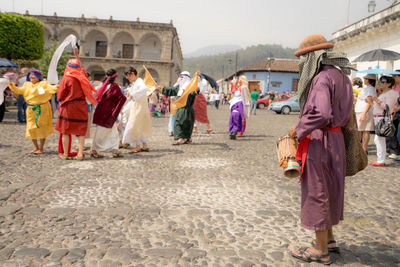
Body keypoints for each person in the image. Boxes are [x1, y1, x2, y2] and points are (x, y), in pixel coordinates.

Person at [289, 34, 354, 265]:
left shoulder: (321, 79)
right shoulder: (343, 77)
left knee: (318, 191)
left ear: (311, 57)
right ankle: (330, 240)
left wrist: (299, 129)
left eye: (303, 59)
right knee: (332, 188)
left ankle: (320, 250)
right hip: (336, 140)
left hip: (321, 140)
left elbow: (321, 113)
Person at [56, 57, 98, 160]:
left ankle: (65, 154)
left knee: (66, 131)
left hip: (69, 106)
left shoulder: (66, 78)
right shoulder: (84, 77)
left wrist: (61, 98)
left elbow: (60, 95)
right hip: (81, 106)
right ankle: (80, 154)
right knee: (80, 131)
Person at [8, 69, 58, 154]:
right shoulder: (27, 84)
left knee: (42, 128)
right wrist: (11, 85)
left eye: (33, 75)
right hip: (31, 109)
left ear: (38, 77)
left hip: (43, 108)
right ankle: (36, 147)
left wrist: (57, 86)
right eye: (30, 75)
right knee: (31, 128)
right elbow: (19, 90)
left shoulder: (44, 84)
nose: (31, 76)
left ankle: (41, 148)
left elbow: (51, 88)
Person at [90, 69, 126, 158]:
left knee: (113, 131)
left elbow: (94, 96)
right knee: (101, 132)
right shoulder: (114, 86)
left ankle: (115, 150)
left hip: (100, 111)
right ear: (115, 77)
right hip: (109, 112)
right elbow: (122, 98)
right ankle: (94, 149)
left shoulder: (101, 86)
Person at [370, 76, 399, 166]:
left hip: (383, 118)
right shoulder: (383, 93)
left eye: (383, 82)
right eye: (380, 81)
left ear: (389, 84)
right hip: (378, 118)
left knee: (379, 139)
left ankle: (381, 160)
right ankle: (381, 159)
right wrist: (371, 102)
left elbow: (387, 107)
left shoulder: (391, 93)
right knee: (378, 140)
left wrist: (377, 100)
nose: (380, 83)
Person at [161, 71, 197, 145]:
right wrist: (162, 89)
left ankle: (180, 138)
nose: (180, 79)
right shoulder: (180, 87)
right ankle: (188, 138)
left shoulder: (191, 87)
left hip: (183, 109)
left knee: (179, 123)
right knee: (188, 125)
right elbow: (171, 90)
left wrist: (197, 90)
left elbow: (194, 92)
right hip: (189, 110)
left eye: (181, 77)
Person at [122, 67, 152, 153]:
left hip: (139, 107)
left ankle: (138, 146)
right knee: (140, 126)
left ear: (133, 74)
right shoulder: (136, 82)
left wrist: (133, 95)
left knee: (135, 125)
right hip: (139, 107)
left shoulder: (139, 82)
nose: (128, 78)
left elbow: (143, 89)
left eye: (128, 76)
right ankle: (145, 145)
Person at [354, 74, 375, 152]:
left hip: (364, 111)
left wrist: (364, 113)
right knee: (359, 129)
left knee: (365, 130)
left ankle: (363, 148)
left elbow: (369, 102)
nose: (364, 80)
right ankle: (359, 147)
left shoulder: (371, 89)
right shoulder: (366, 88)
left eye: (366, 79)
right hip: (359, 110)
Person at [386, 70, 400, 159]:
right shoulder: (393, 86)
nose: (393, 78)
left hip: (397, 112)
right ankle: (389, 149)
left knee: (396, 133)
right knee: (389, 131)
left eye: (395, 76)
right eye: (393, 76)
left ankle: (395, 151)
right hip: (390, 110)